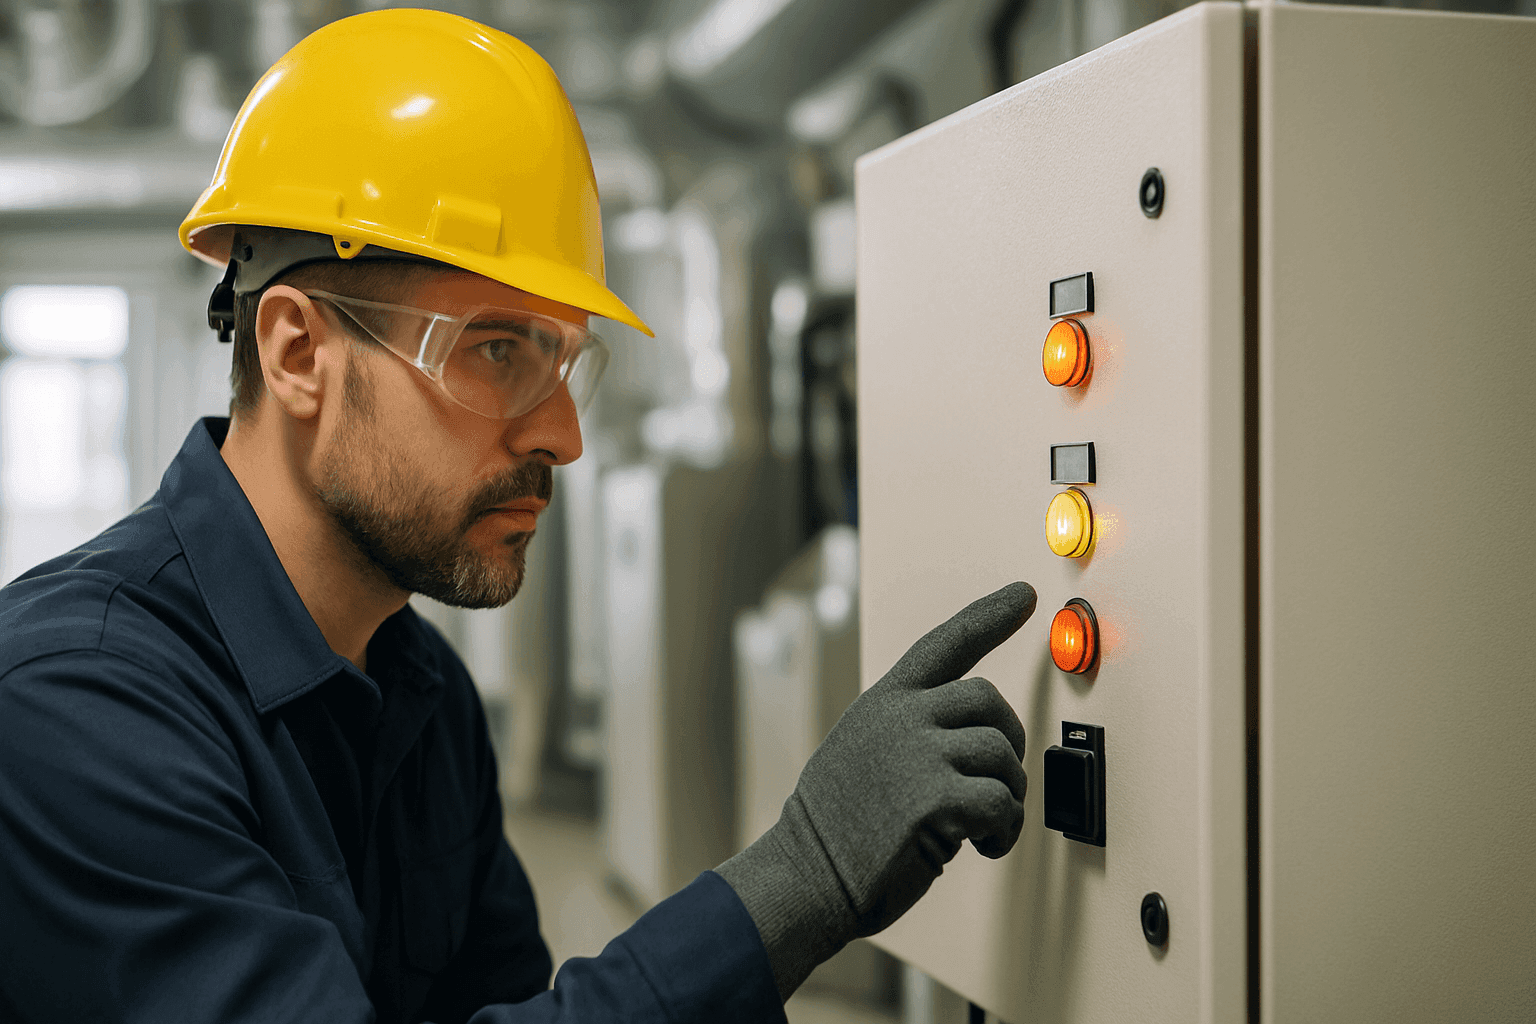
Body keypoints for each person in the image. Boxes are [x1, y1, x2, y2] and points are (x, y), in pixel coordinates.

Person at [0, 10, 1035, 1023]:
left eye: (563, 363)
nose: (563, 438)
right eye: (496, 350)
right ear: (297, 352)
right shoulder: (73, 706)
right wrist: (798, 875)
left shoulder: (425, 695)